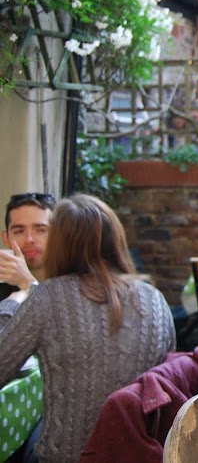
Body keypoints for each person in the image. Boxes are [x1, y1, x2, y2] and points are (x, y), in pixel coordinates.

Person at [0, 194, 176, 462]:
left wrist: (11, 305)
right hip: (140, 453)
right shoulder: (154, 298)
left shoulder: (48, 298)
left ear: (58, 242)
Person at [0, 192, 55, 300]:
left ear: (58, 235)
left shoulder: (77, 284)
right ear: (6, 238)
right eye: (19, 231)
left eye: (41, 230)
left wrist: (28, 283)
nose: (29, 239)